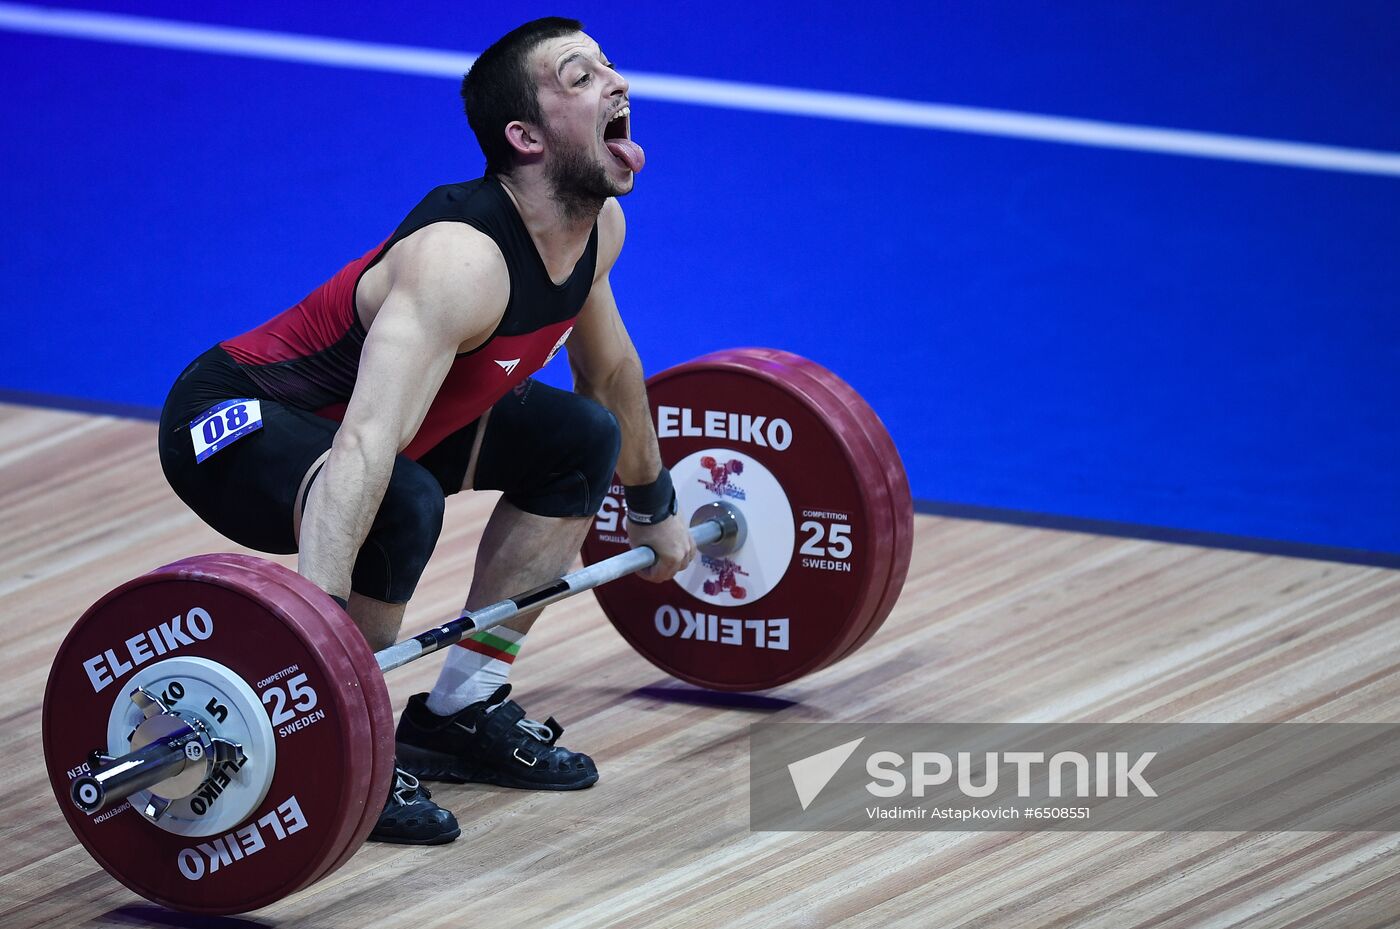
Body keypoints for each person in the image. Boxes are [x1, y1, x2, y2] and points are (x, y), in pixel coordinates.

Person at [157, 17, 696, 845]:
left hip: (385, 423)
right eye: (581, 77)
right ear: (524, 136)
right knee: (399, 499)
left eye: (611, 68)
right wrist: (319, 642)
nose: (617, 84)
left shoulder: (595, 233)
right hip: (232, 423)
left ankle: (458, 711)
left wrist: (652, 502)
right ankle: (349, 740)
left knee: (580, 439)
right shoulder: (460, 260)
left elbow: (611, 375)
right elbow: (367, 446)